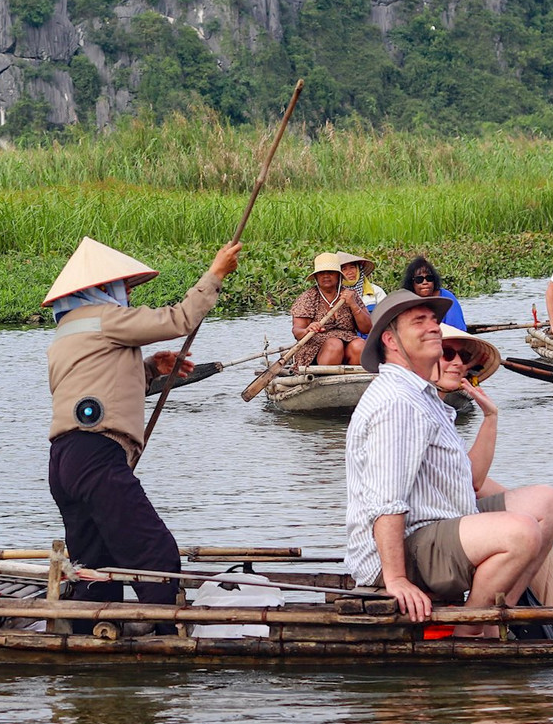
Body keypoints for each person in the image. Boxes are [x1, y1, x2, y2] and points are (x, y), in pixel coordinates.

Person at [345, 290, 553, 627]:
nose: (434, 327)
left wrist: (491, 418)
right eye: (419, 321)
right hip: (405, 546)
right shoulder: (396, 402)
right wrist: (396, 579)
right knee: (521, 532)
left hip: (440, 527)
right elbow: (385, 500)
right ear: (390, 340)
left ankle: (498, 612)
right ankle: (471, 627)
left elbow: (468, 482)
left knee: (547, 503)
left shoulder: (425, 397)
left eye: (434, 320)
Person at [44, 235, 243, 608]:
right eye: (123, 288)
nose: (128, 297)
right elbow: (180, 319)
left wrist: (149, 368)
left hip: (64, 461)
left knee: (95, 563)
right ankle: (165, 627)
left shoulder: (66, 332)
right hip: (96, 457)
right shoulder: (106, 318)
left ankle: (94, 630)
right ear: (102, 288)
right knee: (154, 554)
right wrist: (215, 274)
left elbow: (99, 381)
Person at [431, 327, 553, 606]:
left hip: (455, 515)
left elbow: (470, 480)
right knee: (527, 529)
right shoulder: (415, 408)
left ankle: (512, 609)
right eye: (447, 354)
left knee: (543, 513)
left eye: (464, 356)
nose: (458, 363)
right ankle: (491, 618)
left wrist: (491, 416)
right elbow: (473, 482)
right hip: (433, 533)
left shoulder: (444, 412)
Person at [290, 253, 371, 367]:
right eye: (322, 273)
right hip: (316, 350)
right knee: (334, 344)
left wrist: (353, 305)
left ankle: (351, 379)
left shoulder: (350, 295)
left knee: (360, 345)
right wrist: (307, 330)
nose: (326, 276)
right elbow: (297, 331)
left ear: (338, 276)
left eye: (330, 273)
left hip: (348, 344)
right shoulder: (308, 297)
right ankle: (325, 379)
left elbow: (367, 328)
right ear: (317, 277)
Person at [400, 256, 468, 331]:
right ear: (411, 283)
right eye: (419, 279)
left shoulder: (446, 298)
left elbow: (457, 328)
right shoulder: (407, 301)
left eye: (429, 278)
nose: (425, 282)